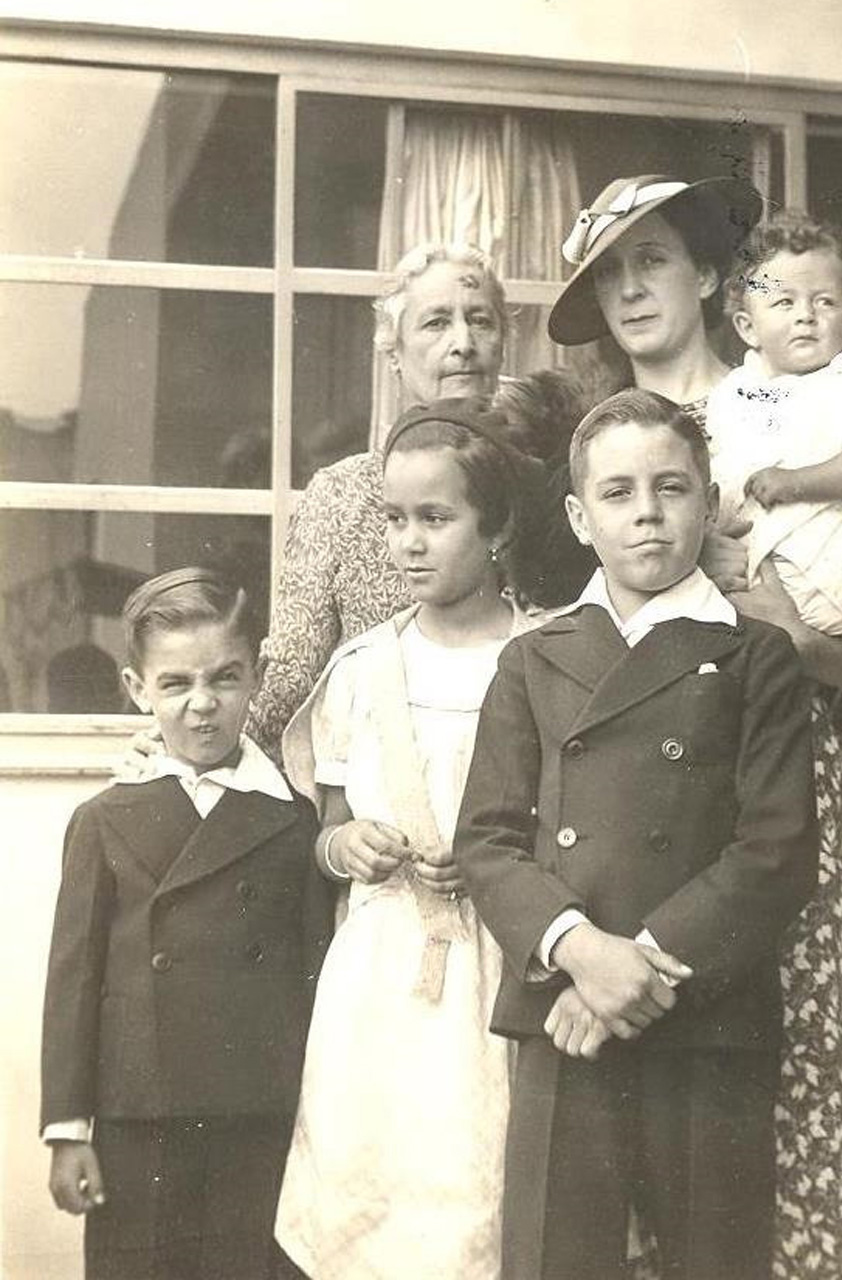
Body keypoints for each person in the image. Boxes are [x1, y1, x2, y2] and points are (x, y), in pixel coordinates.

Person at [546, 173, 842, 1279]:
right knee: (614, 1096)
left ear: (713, 274)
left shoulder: (801, 404)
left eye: (651, 259)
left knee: (769, 1088)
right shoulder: (600, 446)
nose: (630, 290)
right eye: (607, 274)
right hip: (621, 811)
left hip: (762, 797)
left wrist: (768, 625)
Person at [454, 388, 819, 1280]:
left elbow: (775, 852)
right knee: (554, 1260)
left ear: (709, 499)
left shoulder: (755, 655)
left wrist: (635, 966)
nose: (647, 514)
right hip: (563, 1020)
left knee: (715, 1260)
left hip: (704, 1015)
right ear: (580, 518)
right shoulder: (533, 658)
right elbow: (489, 840)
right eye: (617, 493)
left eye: (672, 487)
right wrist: (581, 952)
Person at [274, 398, 544, 1280]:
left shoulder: (545, 659)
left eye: (437, 518)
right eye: (395, 520)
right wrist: (342, 848)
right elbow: (330, 824)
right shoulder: (366, 667)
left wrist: (502, 861)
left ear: (497, 525)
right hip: (383, 979)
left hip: (504, 969)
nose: (410, 543)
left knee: (483, 1191)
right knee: (370, 1191)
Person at [41, 568, 332, 1280]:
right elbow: (73, 983)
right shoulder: (102, 822)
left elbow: (316, 979)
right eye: (175, 685)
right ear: (138, 689)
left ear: (256, 676)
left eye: (224, 679)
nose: (202, 705)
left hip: (259, 1114)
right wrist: (68, 1131)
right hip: (137, 1117)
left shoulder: (294, 823)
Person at [246, 243, 510, 761]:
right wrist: (185, 757)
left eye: (480, 320)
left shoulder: (547, 482)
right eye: (435, 323)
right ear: (393, 353)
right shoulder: (342, 493)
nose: (463, 343)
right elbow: (290, 679)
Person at [707, 211, 842, 650]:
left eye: (825, 302)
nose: (806, 316)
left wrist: (795, 483)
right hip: (760, 566)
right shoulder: (734, 392)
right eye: (784, 302)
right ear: (747, 327)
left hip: (839, 567)